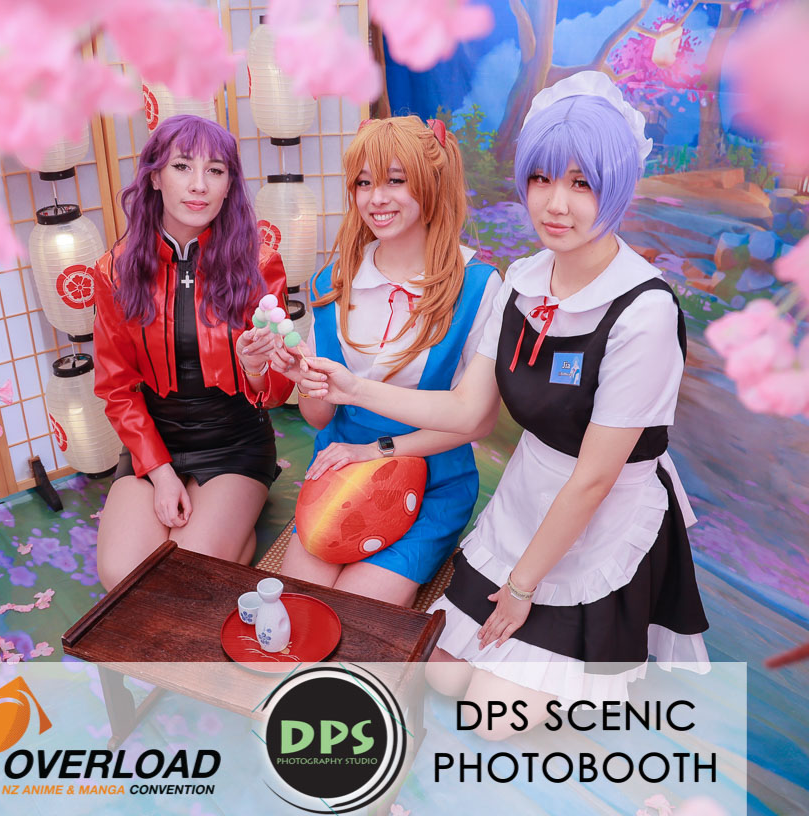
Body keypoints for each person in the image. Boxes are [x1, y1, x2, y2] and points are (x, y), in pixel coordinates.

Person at [293, 73, 709, 733]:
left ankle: (591, 667)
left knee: (492, 717)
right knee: (442, 673)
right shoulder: (524, 279)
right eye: (541, 178)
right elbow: (468, 412)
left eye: (582, 183)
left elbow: (595, 477)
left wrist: (521, 589)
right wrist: (351, 394)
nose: (556, 204)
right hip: (525, 498)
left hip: (597, 513)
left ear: (618, 186)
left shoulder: (645, 310)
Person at [272, 116, 501, 607]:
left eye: (395, 180)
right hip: (339, 468)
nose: (376, 198)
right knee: (297, 609)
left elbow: (475, 421)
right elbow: (320, 418)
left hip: (431, 478)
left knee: (360, 622)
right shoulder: (334, 281)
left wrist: (378, 450)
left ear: (430, 182)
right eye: (364, 183)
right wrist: (305, 382)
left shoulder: (477, 286)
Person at [93, 115, 292, 591]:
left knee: (191, 577)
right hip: (154, 442)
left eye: (215, 171)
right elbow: (117, 387)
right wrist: (160, 473)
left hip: (234, 441)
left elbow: (280, 390)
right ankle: (226, 537)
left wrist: (255, 368)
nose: (199, 185)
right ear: (155, 178)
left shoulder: (259, 264)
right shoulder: (114, 271)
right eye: (182, 166)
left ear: (229, 185)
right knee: (121, 577)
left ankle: (233, 528)